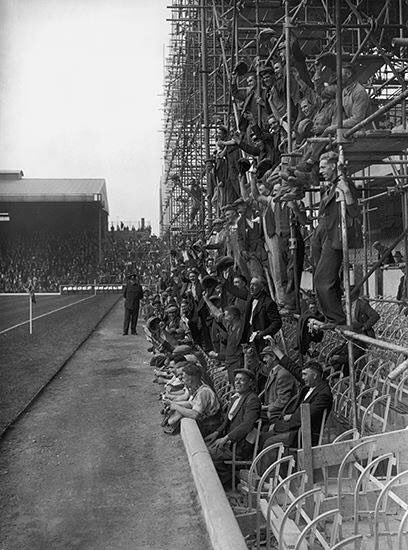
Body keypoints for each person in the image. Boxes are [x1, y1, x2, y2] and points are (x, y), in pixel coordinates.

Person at [311, 152, 362, 324]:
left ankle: (338, 319)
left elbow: (355, 212)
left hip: (335, 237)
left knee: (323, 281)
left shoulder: (345, 184)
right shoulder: (332, 187)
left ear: (334, 166)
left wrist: (346, 192)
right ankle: (332, 316)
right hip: (325, 236)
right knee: (322, 279)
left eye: (323, 167)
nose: (321, 171)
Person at [260, 362, 332, 472]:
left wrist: (282, 424)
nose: (302, 378)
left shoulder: (324, 394)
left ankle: (267, 479)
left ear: (315, 375)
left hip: (305, 433)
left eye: (305, 374)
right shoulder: (309, 388)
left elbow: (306, 416)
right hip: (295, 428)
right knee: (263, 436)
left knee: (270, 442)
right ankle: (268, 473)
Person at [205, 368, 261, 486]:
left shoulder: (252, 400)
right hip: (229, 440)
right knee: (204, 448)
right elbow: (227, 421)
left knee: (206, 455)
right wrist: (217, 432)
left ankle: (227, 482)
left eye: (242, 380)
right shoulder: (236, 397)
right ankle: (226, 478)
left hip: (239, 445)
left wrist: (226, 438)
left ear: (250, 382)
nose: (238, 383)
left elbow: (246, 426)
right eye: (236, 380)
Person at [163, 362, 221, 436]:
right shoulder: (198, 386)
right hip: (205, 421)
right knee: (181, 410)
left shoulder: (203, 392)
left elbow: (195, 414)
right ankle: (173, 426)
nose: (181, 379)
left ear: (190, 379)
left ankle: (174, 428)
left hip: (210, 426)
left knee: (184, 417)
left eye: (183, 377)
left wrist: (175, 406)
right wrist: (173, 403)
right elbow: (191, 403)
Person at [260, 345, 298, 422]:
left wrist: (266, 407)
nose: (264, 360)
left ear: (273, 357)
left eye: (266, 357)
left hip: (279, 415)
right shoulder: (273, 371)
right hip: (271, 411)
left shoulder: (283, 374)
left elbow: (283, 401)